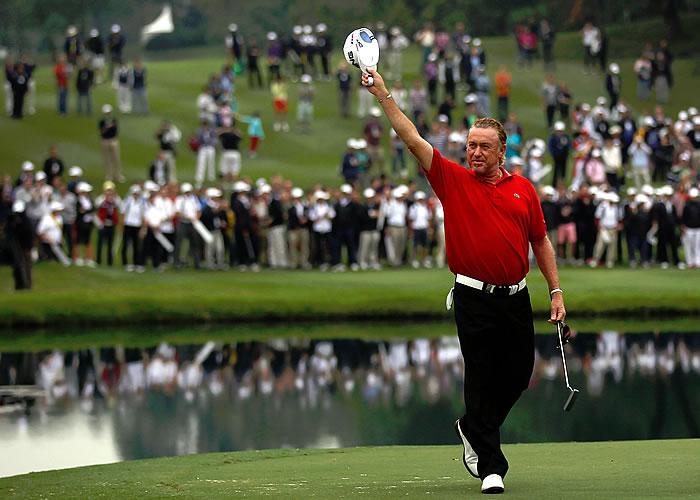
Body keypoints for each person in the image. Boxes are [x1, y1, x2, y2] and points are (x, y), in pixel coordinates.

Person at [361, 67, 565, 494]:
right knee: (480, 374)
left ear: (501, 151)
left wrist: (556, 290)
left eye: (483, 147)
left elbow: (541, 242)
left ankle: (473, 427)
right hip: (472, 296)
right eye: (470, 145)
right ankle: (492, 467)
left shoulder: (523, 190)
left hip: (516, 296)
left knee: (519, 372)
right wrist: (383, 94)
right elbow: (413, 139)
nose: (474, 152)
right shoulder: (452, 181)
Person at [98, 105, 123, 182]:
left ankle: (118, 175)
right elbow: (101, 132)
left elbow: (116, 131)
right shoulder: (102, 121)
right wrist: (106, 127)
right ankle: (109, 176)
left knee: (116, 159)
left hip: (113, 140)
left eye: (108, 112)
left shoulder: (114, 120)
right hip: (105, 141)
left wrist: (111, 126)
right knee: (107, 159)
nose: (108, 114)